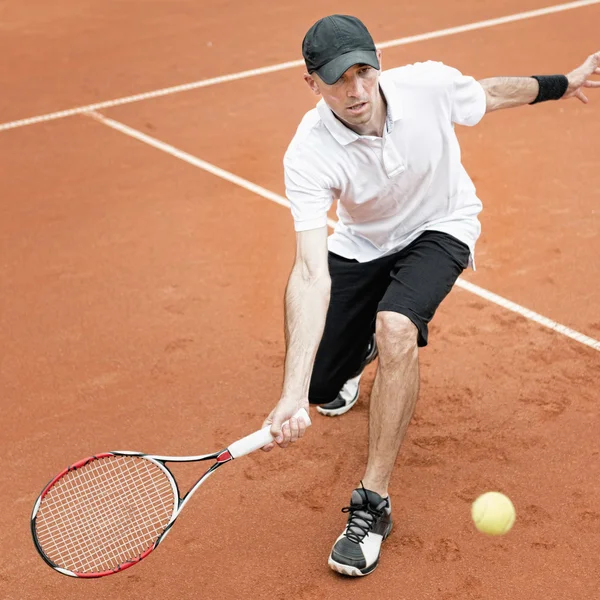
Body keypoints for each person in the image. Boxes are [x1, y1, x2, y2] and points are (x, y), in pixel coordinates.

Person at [261, 14, 600, 577]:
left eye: (364, 71)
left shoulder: (426, 85)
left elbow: (489, 94)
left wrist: (564, 82)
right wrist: (292, 391)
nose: (356, 90)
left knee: (395, 326)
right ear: (311, 83)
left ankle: (373, 503)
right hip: (364, 243)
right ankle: (354, 358)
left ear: (378, 63)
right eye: (339, 79)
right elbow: (308, 273)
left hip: (440, 225)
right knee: (323, 389)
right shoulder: (308, 152)